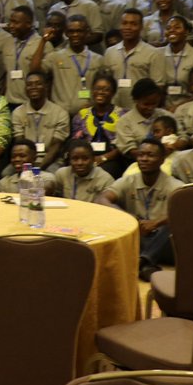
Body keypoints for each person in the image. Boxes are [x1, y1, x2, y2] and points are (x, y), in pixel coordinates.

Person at [100, 137, 183, 281]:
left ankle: (141, 261)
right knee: (111, 215)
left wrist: (156, 223)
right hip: (138, 237)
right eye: (141, 155)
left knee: (171, 226)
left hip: (164, 243)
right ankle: (147, 267)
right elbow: (101, 199)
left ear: (162, 159)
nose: (144, 159)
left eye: (150, 155)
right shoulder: (128, 180)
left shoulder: (174, 186)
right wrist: (129, 219)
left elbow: (188, 211)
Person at [31, 14, 100, 116]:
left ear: (87, 32)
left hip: (87, 115)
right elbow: (34, 69)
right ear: (66, 33)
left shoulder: (98, 60)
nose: (75, 35)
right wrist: (43, 40)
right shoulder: (55, 56)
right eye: (71, 31)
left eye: (79, 31)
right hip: (60, 115)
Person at [103, 8, 167, 110]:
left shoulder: (153, 53)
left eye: (133, 24)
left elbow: (158, 88)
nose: (128, 27)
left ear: (141, 27)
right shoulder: (110, 52)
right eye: (125, 23)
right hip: (114, 111)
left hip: (141, 111)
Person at [10, 69, 70, 171]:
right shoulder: (18, 112)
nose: (33, 87)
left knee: (51, 175)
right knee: (6, 173)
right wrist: (28, 166)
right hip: (25, 159)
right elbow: (20, 142)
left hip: (51, 160)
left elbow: (56, 146)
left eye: (38, 84)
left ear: (46, 87)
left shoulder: (60, 113)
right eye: (29, 84)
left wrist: (38, 168)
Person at [70, 73, 125, 178]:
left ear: (113, 93)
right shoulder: (82, 115)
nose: (101, 92)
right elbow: (75, 142)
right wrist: (87, 159)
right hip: (85, 157)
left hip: (112, 159)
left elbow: (123, 146)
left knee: (104, 172)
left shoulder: (123, 115)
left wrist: (103, 158)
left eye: (106, 89)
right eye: (97, 88)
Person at [113, 78, 172, 175]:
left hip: (169, 159)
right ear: (136, 100)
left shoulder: (166, 115)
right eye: (146, 104)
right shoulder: (124, 121)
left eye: (154, 103)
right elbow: (131, 151)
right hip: (140, 163)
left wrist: (175, 145)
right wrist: (156, 156)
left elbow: (183, 137)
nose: (150, 107)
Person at [48, 140, 115, 201]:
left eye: (85, 159)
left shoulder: (105, 180)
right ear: (69, 160)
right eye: (75, 159)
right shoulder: (62, 174)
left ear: (93, 159)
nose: (80, 163)